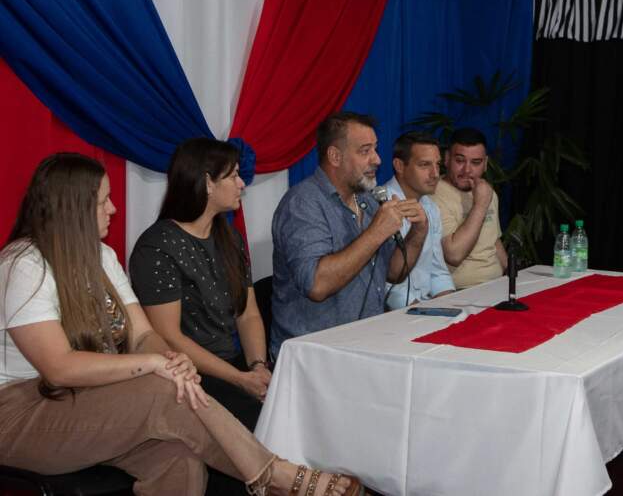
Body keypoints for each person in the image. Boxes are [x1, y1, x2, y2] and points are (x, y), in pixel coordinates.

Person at [0, 153, 360, 496]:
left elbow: (143, 336)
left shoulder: (102, 256)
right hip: (21, 414)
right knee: (162, 390)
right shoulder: (23, 265)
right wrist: (155, 366)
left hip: (85, 400)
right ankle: (274, 474)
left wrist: (170, 361)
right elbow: (59, 368)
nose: (113, 208)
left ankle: (274, 474)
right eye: (102, 202)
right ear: (73, 209)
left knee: (179, 457)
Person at [129, 139, 267, 432]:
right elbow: (169, 336)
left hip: (236, 366)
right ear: (207, 183)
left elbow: (249, 314)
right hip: (190, 374)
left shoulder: (229, 237)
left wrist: (257, 366)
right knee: (262, 424)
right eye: (233, 176)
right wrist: (240, 379)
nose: (242, 183)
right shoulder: (157, 247)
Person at [271, 112, 428, 358]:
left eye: (375, 149)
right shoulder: (302, 204)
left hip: (365, 343)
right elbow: (317, 284)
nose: (376, 159)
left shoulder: (367, 199)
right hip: (313, 354)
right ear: (335, 156)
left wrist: (418, 233)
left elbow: (393, 273)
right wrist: (377, 231)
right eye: (365, 151)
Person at [383, 131, 454, 309]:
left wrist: (453, 309)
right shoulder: (379, 205)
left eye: (437, 165)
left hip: (425, 306)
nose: (435, 174)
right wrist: (424, 313)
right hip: (391, 314)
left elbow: (438, 271)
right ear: (399, 166)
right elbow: (386, 282)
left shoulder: (430, 207)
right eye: (425, 165)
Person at [432, 127, 507, 289]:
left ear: (485, 164)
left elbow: (494, 241)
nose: (467, 170)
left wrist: (511, 276)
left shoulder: (487, 191)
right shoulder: (433, 195)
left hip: (498, 284)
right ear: (446, 159)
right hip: (460, 291)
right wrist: (480, 205)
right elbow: (454, 254)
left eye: (476, 163)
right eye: (460, 161)